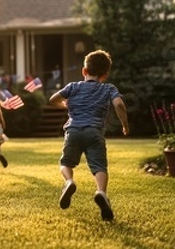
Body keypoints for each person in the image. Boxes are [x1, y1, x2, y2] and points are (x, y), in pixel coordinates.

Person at [49, 50, 129, 221]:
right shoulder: (109, 88)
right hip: (94, 132)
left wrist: (65, 105)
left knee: (65, 163)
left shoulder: (73, 86)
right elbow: (120, 105)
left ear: (84, 71)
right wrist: (125, 125)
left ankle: (69, 181)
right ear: (105, 75)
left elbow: (52, 99)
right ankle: (101, 192)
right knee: (99, 167)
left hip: (73, 131)